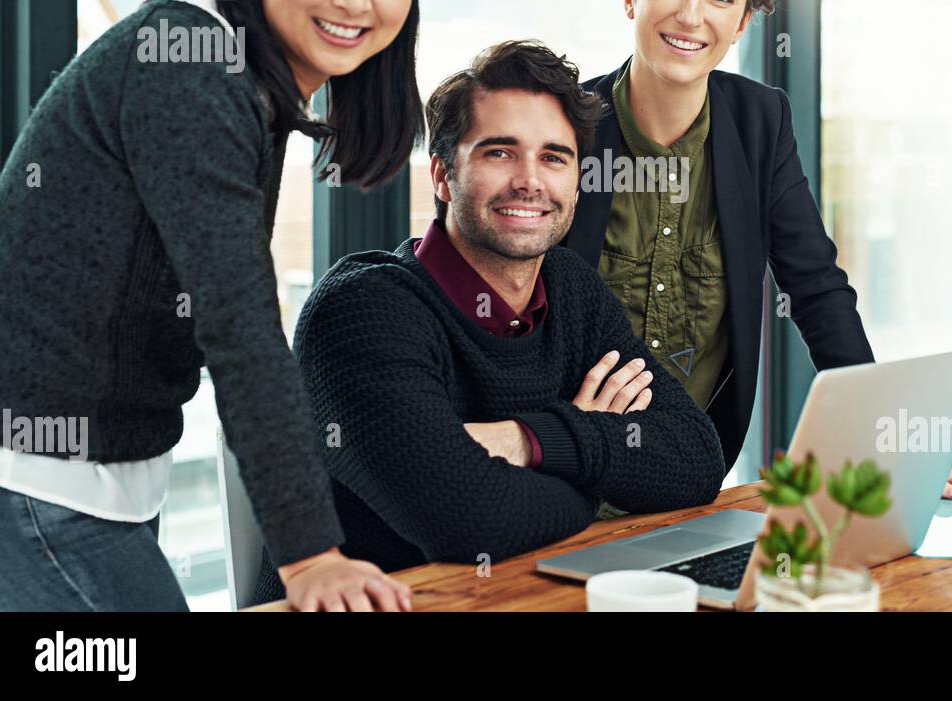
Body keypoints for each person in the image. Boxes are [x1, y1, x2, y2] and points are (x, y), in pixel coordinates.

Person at [0, 0, 427, 612]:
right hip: (28, 478)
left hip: (91, 478)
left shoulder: (241, 68)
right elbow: (239, 321)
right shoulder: (190, 64)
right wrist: (312, 555)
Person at [564, 0, 952, 501]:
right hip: (565, 475)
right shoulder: (565, 128)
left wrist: (891, 448)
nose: (691, 14)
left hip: (690, 484)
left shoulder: (759, 123)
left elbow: (817, 288)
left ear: (743, 24)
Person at [251, 40, 726, 604]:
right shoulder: (361, 310)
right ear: (443, 176)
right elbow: (466, 520)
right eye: (500, 153)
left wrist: (525, 442)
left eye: (554, 157)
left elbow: (695, 458)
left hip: (526, 594)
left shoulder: (570, 287)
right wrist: (588, 457)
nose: (530, 181)